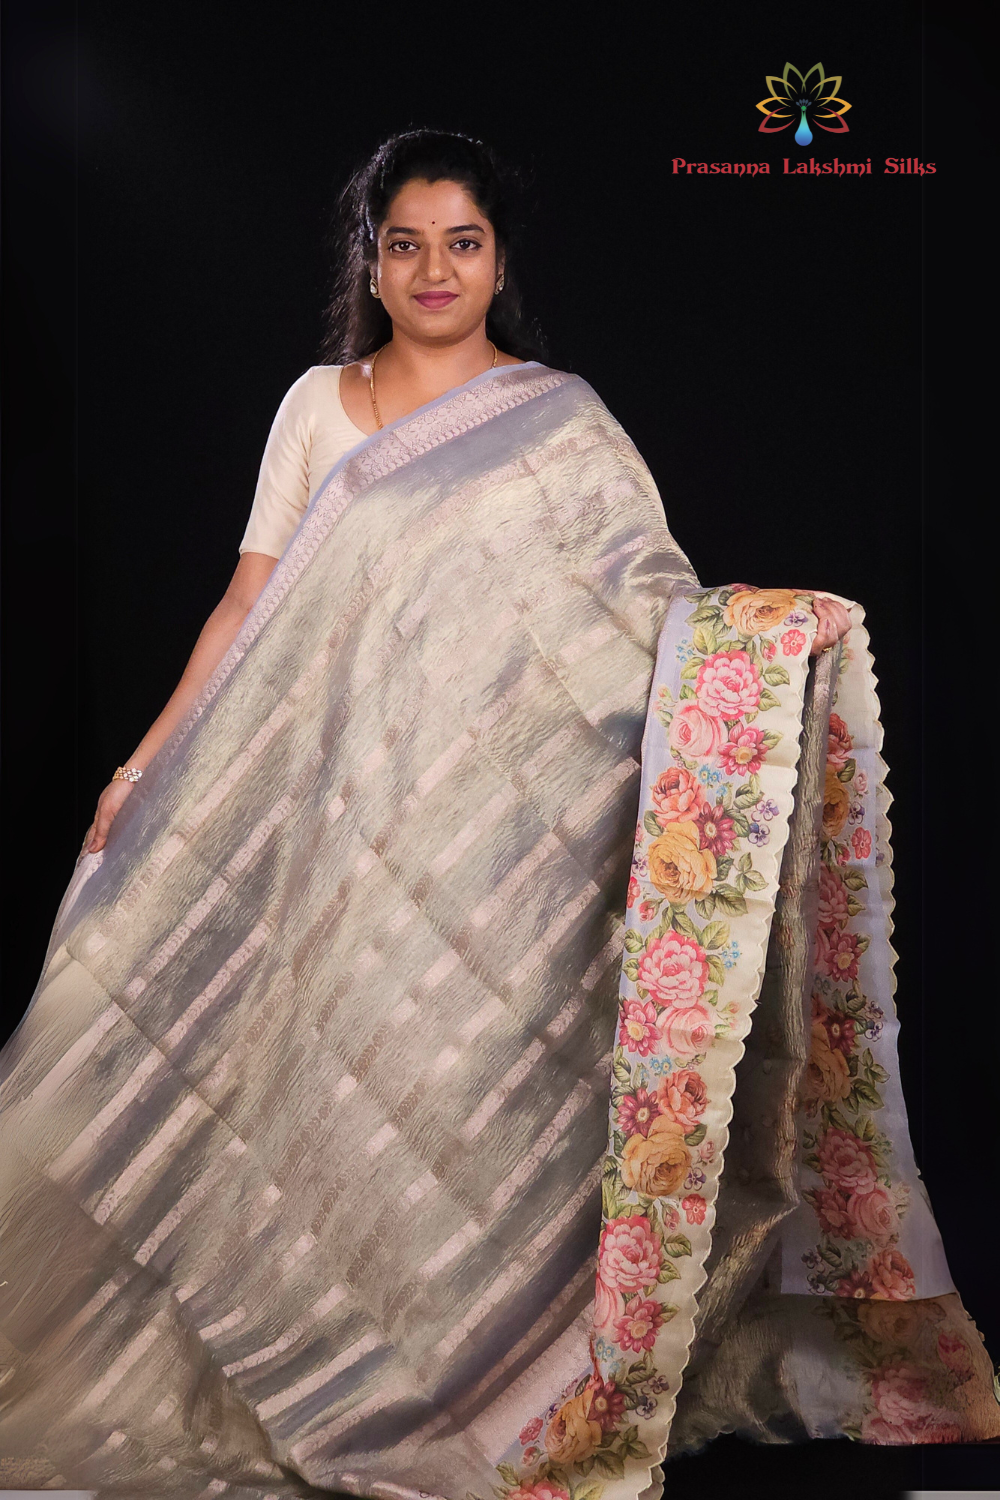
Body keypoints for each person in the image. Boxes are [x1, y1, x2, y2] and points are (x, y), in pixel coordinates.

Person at [0, 130, 995, 1500]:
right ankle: (295, 1359)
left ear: (498, 260)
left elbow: (643, 612)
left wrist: (762, 641)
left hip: (487, 857)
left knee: (444, 1108)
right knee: (254, 1071)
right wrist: (138, 770)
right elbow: (248, 605)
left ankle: (468, 1381)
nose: (434, 271)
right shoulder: (318, 405)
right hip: (315, 829)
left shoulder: (560, 422)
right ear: (371, 261)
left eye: (461, 244)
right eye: (405, 245)